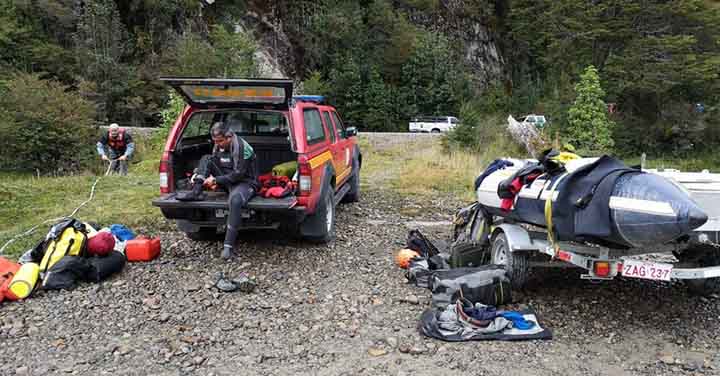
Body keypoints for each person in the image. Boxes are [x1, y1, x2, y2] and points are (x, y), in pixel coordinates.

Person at [177, 121, 260, 260]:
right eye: (215, 141)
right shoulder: (218, 145)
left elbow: (238, 174)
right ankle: (196, 191)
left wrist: (216, 181)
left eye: (220, 141)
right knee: (206, 158)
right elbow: (214, 162)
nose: (218, 144)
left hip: (245, 182)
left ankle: (228, 248)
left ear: (229, 136)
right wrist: (201, 176)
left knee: (235, 200)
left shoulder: (242, 147)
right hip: (227, 179)